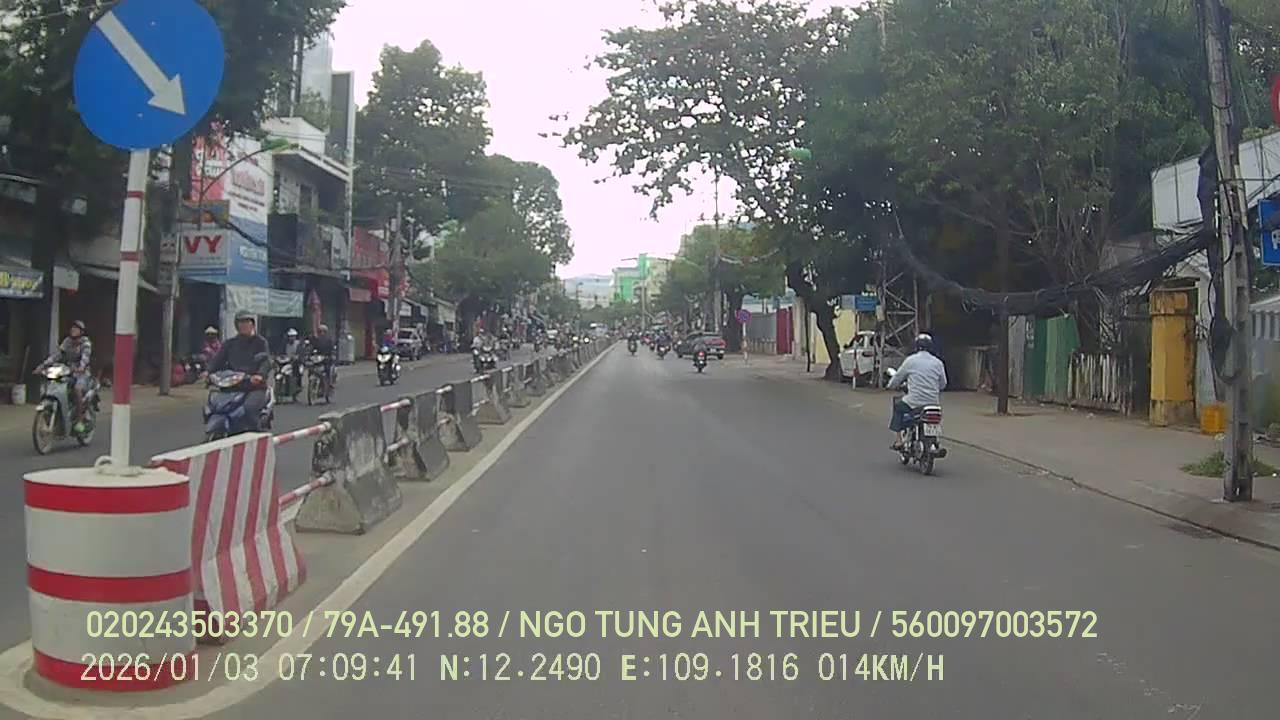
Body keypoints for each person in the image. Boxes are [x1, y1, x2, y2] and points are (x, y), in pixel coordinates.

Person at [207, 311, 271, 430]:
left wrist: (260, 375)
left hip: (254, 387)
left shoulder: (260, 342)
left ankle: (258, 434)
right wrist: (208, 372)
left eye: (247, 322)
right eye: (241, 322)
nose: (244, 325)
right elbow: (217, 360)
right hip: (232, 385)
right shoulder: (229, 344)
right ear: (236, 325)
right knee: (215, 405)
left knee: (249, 408)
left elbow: (266, 362)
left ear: (253, 325)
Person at [887, 333, 948, 450]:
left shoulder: (910, 361)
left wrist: (890, 385)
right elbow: (943, 384)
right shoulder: (938, 363)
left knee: (898, 406)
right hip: (933, 403)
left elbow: (897, 378)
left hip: (914, 402)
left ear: (916, 346)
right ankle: (935, 441)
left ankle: (899, 441)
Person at [39, 319, 94, 432]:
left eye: (76, 328)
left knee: (77, 389)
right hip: (67, 370)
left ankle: (79, 420)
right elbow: (57, 355)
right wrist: (43, 365)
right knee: (51, 385)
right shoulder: (67, 341)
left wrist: (81, 367)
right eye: (72, 328)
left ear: (81, 332)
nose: (73, 330)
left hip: (82, 373)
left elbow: (85, 358)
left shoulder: (85, 343)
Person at [308, 324, 338, 389]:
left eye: (323, 331)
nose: (322, 333)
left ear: (325, 332)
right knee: (311, 368)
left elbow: (332, 349)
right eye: (320, 331)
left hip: (326, 358)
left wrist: (331, 355)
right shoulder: (316, 339)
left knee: (328, 369)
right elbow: (312, 348)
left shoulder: (329, 340)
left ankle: (329, 383)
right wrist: (310, 355)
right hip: (318, 358)